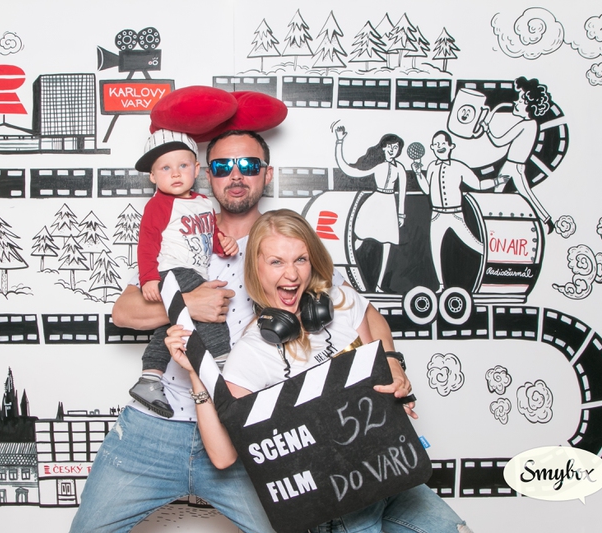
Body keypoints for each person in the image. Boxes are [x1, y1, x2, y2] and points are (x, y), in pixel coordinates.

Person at [70, 130, 403, 533]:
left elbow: (363, 311)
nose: (236, 175)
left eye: (248, 165)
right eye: (224, 166)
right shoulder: (184, 229)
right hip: (157, 424)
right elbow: (123, 312)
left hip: (244, 428)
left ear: (267, 174)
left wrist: (390, 361)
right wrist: (187, 305)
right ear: (207, 174)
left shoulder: (284, 242)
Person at [165, 209, 472, 533]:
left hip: (393, 466)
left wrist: (392, 368)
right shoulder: (252, 352)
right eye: (276, 262)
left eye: (300, 259)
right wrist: (195, 374)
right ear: (255, 267)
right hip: (341, 497)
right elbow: (223, 456)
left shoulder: (339, 301)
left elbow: (374, 324)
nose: (292, 274)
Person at [128, 129, 238, 419]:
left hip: (192, 269)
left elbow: (208, 237)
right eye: (165, 168)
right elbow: (147, 241)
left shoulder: (204, 203)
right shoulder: (159, 204)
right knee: (211, 306)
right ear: (153, 177)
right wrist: (149, 277)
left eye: (183, 165)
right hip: (173, 270)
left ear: (196, 169)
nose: (175, 173)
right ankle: (223, 366)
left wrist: (223, 244)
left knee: (173, 327)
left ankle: (149, 378)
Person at [413, 130, 509, 293]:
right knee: (435, 250)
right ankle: (441, 286)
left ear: (451, 146)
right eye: (436, 144)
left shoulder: (459, 167)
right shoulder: (431, 167)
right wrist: (417, 173)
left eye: (443, 143)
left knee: (474, 244)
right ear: (432, 147)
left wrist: (496, 181)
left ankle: (497, 266)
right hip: (436, 216)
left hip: (455, 215)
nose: (440, 146)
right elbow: (427, 190)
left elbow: (478, 185)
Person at [334, 127, 407, 292]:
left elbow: (402, 193)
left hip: (389, 206)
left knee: (387, 244)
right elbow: (349, 170)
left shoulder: (400, 169)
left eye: (396, 147)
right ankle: (344, 272)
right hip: (374, 204)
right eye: (389, 146)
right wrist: (339, 142)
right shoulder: (378, 166)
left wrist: (401, 214)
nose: (392, 150)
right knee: (358, 237)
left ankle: (380, 285)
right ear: (383, 148)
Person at [482, 76, 555, 233]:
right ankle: (544, 220)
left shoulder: (526, 125)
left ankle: (497, 224)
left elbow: (499, 141)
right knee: (503, 192)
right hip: (513, 165)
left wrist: (487, 129)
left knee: (516, 194)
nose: (515, 102)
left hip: (513, 166)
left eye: (521, 100)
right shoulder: (532, 124)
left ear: (529, 106)